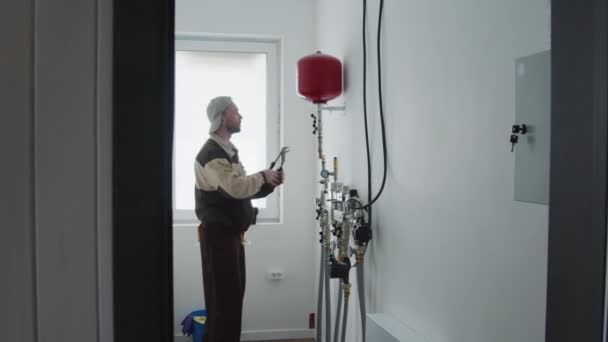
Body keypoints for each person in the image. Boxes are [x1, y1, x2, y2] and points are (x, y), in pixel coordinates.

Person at [194, 96, 284, 342]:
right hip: (218, 237)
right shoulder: (211, 154)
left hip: (230, 236)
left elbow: (240, 191)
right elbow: (234, 187)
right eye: (236, 112)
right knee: (223, 302)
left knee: (232, 298)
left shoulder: (227, 151)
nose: (241, 116)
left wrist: (269, 183)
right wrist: (262, 176)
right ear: (222, 118)